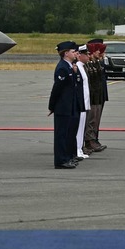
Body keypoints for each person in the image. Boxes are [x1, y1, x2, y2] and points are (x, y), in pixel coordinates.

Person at [48, 41, 85, 169]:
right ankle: (60, 161)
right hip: (63, 107)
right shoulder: (62, 68)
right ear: (65, 53)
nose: (75, 53)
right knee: (61, 135)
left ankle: (67, 157)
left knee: (68, 134)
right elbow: (57, 89)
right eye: (72, 51)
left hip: (69, 106)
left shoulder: (69, 67)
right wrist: (52, 106)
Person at [84, 39, 108, 153]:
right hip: (92, 96)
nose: (101, 53)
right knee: (91, 119)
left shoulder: (97, 63)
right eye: (99, 50)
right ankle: (89, 141)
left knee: (95, 119)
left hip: (98, 95)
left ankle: (93, 139)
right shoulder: (87, 65)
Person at [74, 46, 92, 160]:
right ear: (80, 55)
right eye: (86, 54)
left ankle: (79, 149)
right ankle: (76, 149)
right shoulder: (77, 67)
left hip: (84, 103)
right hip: (80, 103)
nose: (89, 56)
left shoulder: (82, 67)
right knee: (78, 128)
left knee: (81, 128)